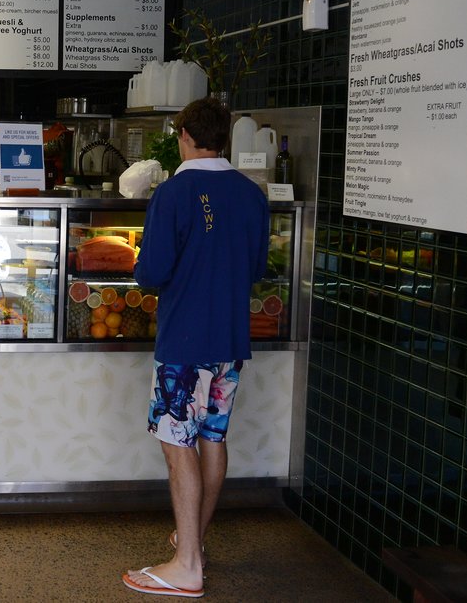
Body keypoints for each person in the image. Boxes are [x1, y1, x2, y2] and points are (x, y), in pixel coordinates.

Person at [123, 97, 269, 598]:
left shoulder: (176, 192)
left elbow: (151, 272)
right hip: (230, 339)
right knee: (212, 437)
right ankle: (195, 543)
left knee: (176, 442)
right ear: (224, 137)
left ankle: (186, 566)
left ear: (185, 135)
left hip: (185, 338)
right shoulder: (252, 194)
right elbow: (255, 270)